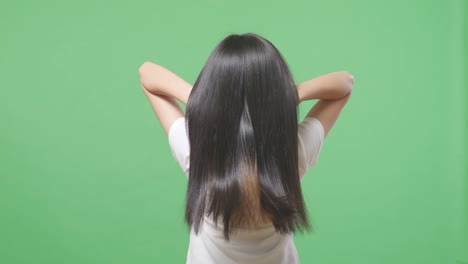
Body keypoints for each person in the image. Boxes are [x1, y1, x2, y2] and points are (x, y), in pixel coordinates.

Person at [138, 32, 354, 264]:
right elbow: (345, 83)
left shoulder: (197, 152)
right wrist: (287, 96)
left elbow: (147, 73)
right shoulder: (292, 154)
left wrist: (204, 101)